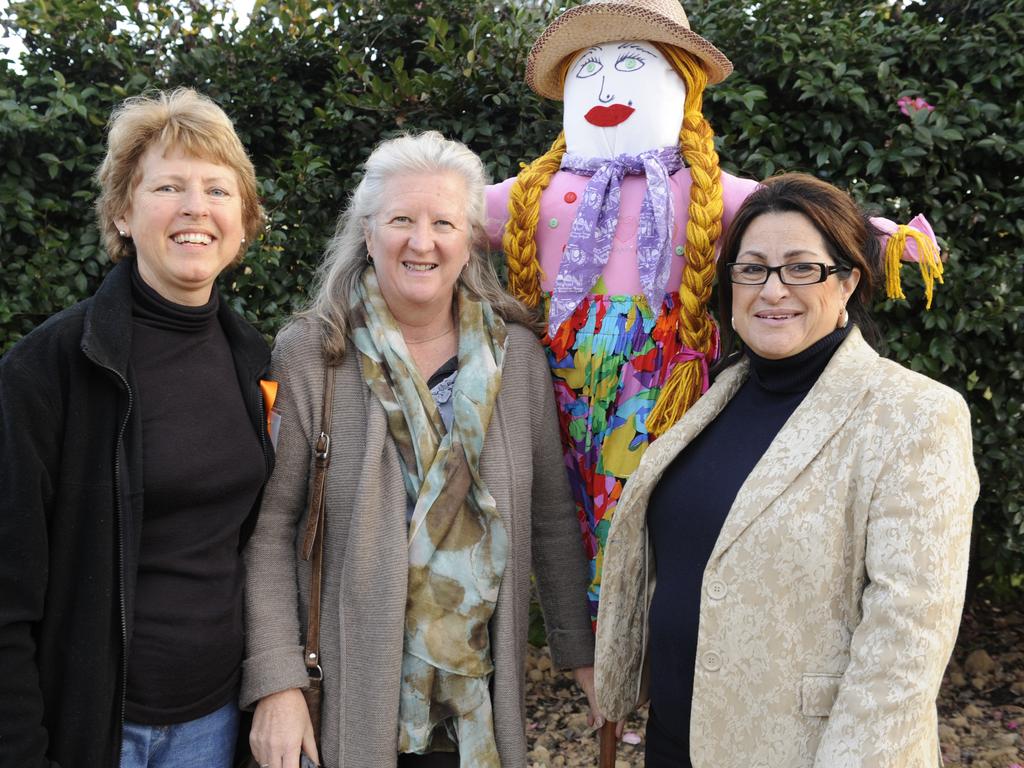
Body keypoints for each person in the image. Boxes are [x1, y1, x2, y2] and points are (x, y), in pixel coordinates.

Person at [593, 173, 978, 767]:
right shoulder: (711, 398)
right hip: (676, 741)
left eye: (801, 268)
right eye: (752, 268)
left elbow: (905, 646)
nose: (772, 290)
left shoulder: (914, 416)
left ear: (848, 281)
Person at [241, 131, 596, 768]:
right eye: (401, 219)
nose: (421, 241)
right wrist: (277, 682)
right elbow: (271, 529)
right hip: (351, 700)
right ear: (367, 232)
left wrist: (581, 653)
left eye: (443, 222)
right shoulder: (313, 355)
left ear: (470, 241)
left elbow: (550, 520)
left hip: (478, 704)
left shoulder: (517, 359)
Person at [0, 88, 273, 768]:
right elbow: (6, 593)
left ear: (243, 219)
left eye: (217, 189)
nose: (195, 208)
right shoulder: (48, 369)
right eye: (169, 186)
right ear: (123, 211)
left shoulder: (260, 363)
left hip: (213, 722)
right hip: (92, 729)